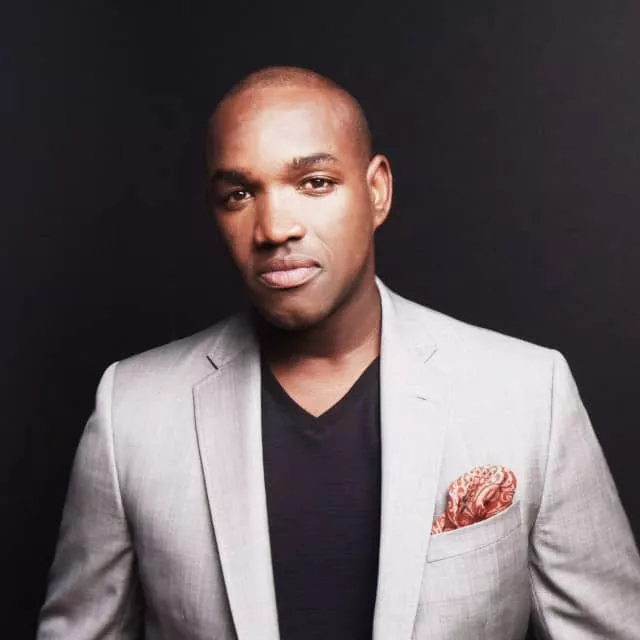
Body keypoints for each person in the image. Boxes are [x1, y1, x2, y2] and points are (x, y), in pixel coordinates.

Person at [37, 66, 640, 639]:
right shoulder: (132, 413)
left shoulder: (528, 394)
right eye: (240, 193)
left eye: (315, 183)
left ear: (376, 191)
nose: (275, 227)